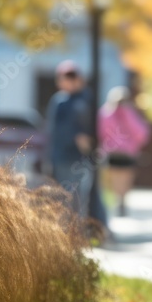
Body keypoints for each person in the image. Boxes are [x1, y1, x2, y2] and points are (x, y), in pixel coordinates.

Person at [46, 60, 95, 220]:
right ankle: (66, 235)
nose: (70, 80)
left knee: (81, 198)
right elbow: (53, 131)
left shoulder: (85, 98)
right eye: (67, 77)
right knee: (63, 197)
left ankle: (79, 233)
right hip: (61, 157)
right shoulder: (59, 101)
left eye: (73, 76)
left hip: (81, 157)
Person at [98, 86, 150, 216]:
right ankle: (120, 201)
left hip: (122, 152)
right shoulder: (109, 113)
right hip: (119, 152)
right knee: (120, 178)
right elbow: (141, 133)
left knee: (122, 179)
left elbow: (141, 133)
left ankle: (120, 201)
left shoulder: (112, 113)